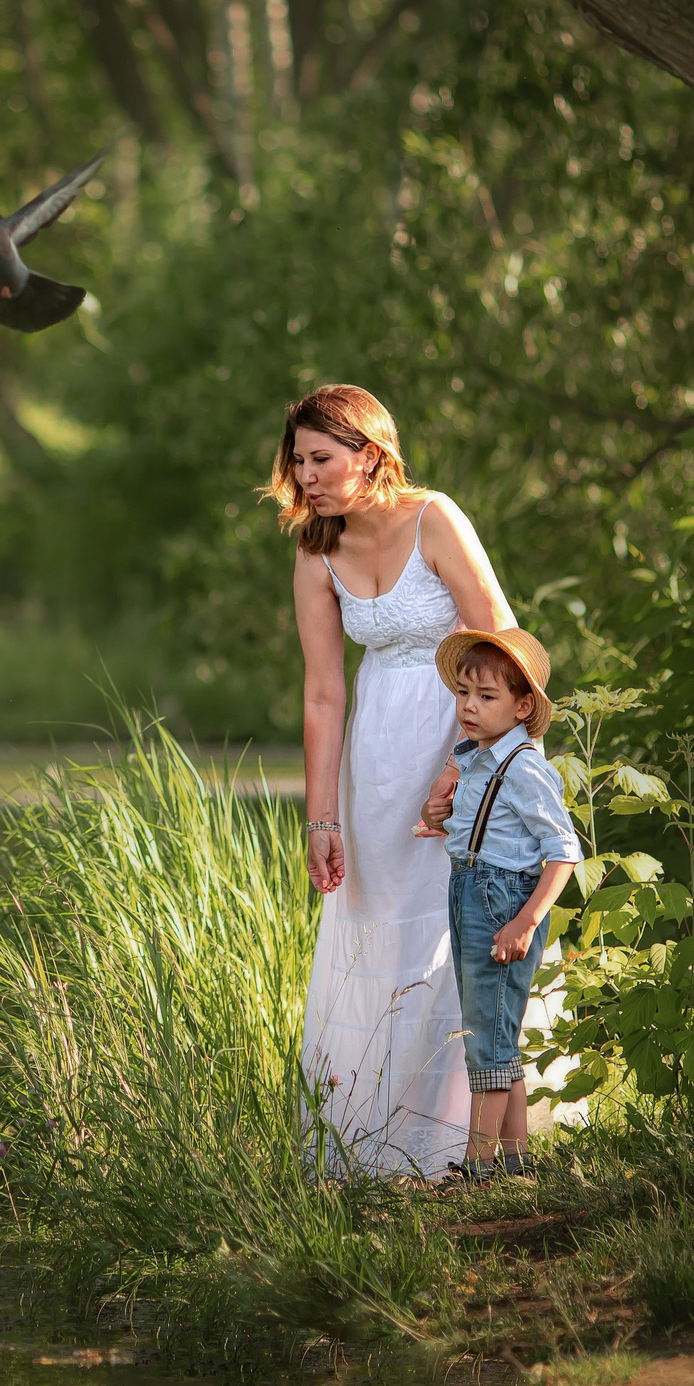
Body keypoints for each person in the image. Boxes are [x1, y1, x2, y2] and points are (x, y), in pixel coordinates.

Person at [266, 384, 516, 1178]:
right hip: (377, 763)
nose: (306, 475)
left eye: (321, 458)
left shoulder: (434, 518)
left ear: (369, 454)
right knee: (385, 931)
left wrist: (462, 764)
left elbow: (503, 643)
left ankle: (468, 1150)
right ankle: (385, 1149)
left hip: (467, 738)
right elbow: (321, 692)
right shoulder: (316, 551)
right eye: (298, 460)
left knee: (463, 938)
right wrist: (321, 819)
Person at [422, 627, 582, 1179]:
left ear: (522, 707)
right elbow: (476, 824)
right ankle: (515, 1164)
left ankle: (478, 1169)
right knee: (494, 1030)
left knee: (485, 1041)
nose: (469, 705)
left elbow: (564, 852)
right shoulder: (477, 756)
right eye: (464, 692)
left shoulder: (526, 768)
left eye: (486, 697)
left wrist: (526, 920)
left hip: (503, 903)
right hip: (470, 890)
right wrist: (441, 817)